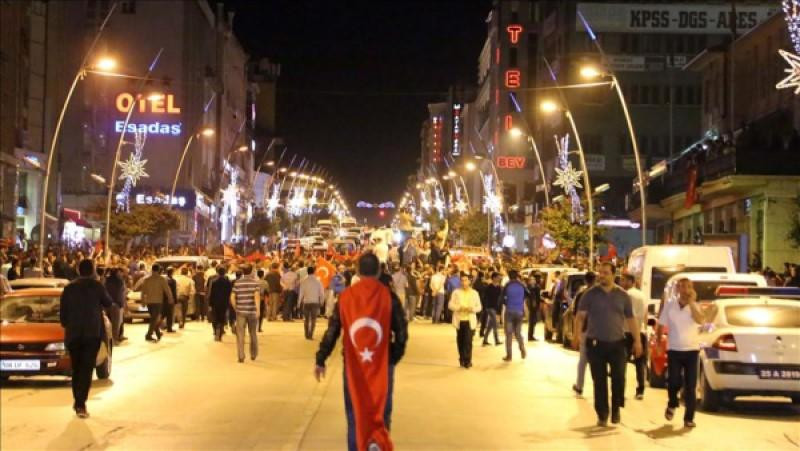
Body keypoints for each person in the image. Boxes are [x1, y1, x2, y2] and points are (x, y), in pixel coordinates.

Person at [314, 253, 408, 451]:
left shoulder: (346, 297)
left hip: (353, 367)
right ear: (379, 271)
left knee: (354, 414)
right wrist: (391, 357)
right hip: (382, 366)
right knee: (381, 414)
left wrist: (321, 359)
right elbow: (402, 331)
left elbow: (333, 330)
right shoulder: (388, 297)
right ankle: (377, 444)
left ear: (357, 270)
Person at [572, 262, 642, 427]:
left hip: (617, 344)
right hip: (595, 344)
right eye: (600, 273)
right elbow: (580, 316)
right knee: (599, 381)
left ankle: (616, 408)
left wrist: (638, 341)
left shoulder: (623, 295)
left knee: (619, 379)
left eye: (605, 273)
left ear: (613, 274)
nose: (601, 276)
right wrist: (576, 335)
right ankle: (602, 413)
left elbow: (631, 320)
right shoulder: (590, 294)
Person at [59, 259, 112, 418]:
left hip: (73, 334)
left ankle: (78, 401)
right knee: (87, 369)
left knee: (76, 368)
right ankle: (81, 403)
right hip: (91, 334)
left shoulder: (69, 288)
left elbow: (63, 315)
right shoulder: (97, 286)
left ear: (77, 269)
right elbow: (108, 302)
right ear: (93, 270)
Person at [656, 278, 704, 428]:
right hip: (674, 350)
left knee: (690, 386)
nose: (685, 290)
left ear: (692, 289)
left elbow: (701, 320)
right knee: (673, 381)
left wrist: (691, 303)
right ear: (677, 289)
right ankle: (672, 403)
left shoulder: (695, 306)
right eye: (682, 287)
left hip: (692, 350)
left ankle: (689, 418)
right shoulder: (670, 305)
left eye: (688, 287)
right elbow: (660, 324)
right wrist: (658, 343)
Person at [620, 273, 647, 400]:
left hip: (627, 331)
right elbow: (645, 314)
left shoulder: (626, 295)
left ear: (631, 281)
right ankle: (640, 390)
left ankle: (621, 390)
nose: (621, 282)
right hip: (641, 331)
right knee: (640, 362)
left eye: (623, 280)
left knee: (622, 362)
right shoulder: (642, 295)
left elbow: (628, 315)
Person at [448, 273, 481, 368]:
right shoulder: (456, 292)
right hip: (459, 320)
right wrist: (458, 307)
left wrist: (472, 309)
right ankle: (462, 358)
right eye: (462, 280)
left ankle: (468, 360)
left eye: (465, 280)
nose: (463, 282)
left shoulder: (474, 293)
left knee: (468, 341)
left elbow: (479, 307)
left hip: (469, 320)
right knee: (460, 340)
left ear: (470, 281)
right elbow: (450, 305)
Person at [571, 271, 596, 397]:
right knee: (597, 361)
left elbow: (577, 315)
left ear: (585, 281)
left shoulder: (581, 294)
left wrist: (576, 334)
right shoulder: (600, 293)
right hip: (599, 331)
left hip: (586, 331)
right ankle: (598, 387)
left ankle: (579, 386)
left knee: (583, 360)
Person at [231, 264, 261, 362]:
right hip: (252, 311)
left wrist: (236, 307)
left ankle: (241, 356)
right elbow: (256, 296)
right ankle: (253, 354)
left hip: (240, 312)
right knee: (253, 333)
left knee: (240, 334)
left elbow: (232, 297)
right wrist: (258, 310)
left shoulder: (237, 283)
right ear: (251, 271)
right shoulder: (255, 283)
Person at [139, 264, 174, 342]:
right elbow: (167, 290)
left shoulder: (146, 279)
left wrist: (143, 301)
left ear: (152, 269)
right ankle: (149, 334)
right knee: (154, 319)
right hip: (158, 302)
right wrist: (170, 299)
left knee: (153, 318)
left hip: (149, 302)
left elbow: (143, 292)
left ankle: (157, 332)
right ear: (158, 270)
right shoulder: (161, 279)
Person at [502, 270, 528, 362]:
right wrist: (521, 300)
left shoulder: (507, 285)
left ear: (509, 276)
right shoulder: (522, 285)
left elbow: (502, 298)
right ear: (517, 276)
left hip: (509, 311)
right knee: (518, 333)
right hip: (519, 312)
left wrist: (507, 303)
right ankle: (522, 349)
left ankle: (509, 356)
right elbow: (528, 294)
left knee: (508, 334)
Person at [299, 266, 325, 339]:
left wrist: (299, 303)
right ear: (314, 271)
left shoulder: (303, 281)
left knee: (306, 319)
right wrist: (322, 301)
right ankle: (311, 334)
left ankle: (306, 334)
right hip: (315, 302)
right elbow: (322, 293)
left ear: (307, 271)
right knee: (313, 319)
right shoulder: (318, 281)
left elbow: (301, 293)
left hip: (306, 302)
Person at [209, 266, 233, 341]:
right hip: (224, 303)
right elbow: (230, 293)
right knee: (222, 317)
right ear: (225, 272)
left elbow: (211, 294)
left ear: (217, 272)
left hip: (215, 303)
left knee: (215, 317)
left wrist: (210, 304)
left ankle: (216, 331)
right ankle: (220, 331)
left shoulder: (214, 281)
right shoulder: (228, 282)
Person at [103, 267, 126, 345]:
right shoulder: (120, 282)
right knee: (115, 324)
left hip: (107, 304)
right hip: (116, 304)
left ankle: (108, 340)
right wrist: (120, 304)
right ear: (117, 273)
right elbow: (120, 294)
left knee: (108, 323)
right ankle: (114, 340)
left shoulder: (106, 280)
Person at [481, 272, 503, 347]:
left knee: (490, 325)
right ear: (493, 278)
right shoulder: (489, 287)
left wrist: (499, 309)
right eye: (498, 277)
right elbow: (485, 298)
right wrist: (485, 307)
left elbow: (500, 299)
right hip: (490, 307)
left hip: (496, 308)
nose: (499, 278)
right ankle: (496, 340)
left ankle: (485, 340)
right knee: (495, 324)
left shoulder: (499, 288)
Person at [526, 274, 542, 341]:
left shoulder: (537, 287)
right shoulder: (528, 287)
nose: (533, 281)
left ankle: (531, 335)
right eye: (531, 280)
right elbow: (528, 296)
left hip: (536, 306)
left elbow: (538, 297)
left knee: (534, 321)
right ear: (529, 281)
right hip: (531, 306)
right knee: (532, 321)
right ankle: (530, 336)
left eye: (534, 279)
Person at [163, 267, 178, 333]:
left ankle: (157, 327)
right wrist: (175, 300)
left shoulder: (163, 279)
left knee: (162, 314)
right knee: (169, 314)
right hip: (170, 299)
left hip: (163, 299)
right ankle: (169, 328)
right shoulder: (172, 281)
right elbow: (174, 292)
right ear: (172, 272)